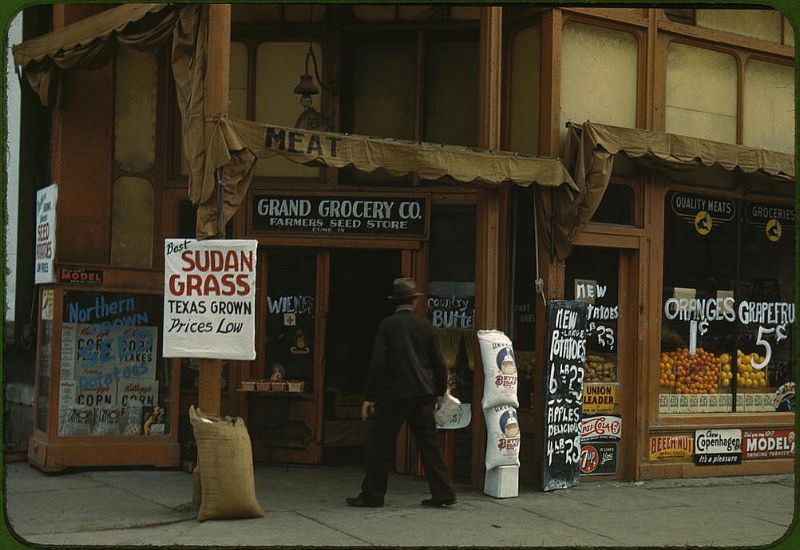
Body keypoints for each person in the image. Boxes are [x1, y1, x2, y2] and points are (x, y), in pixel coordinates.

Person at [346, 278, 457, 508]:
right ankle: (444, 493)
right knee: (430, 445)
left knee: (379, 445)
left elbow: (379, 362)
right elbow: (438, 362)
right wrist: (438, 391)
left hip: (394, 395)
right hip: (423, 394)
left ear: (395, 302)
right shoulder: (425, 326)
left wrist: (370, 396)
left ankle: (373, 494)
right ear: (415, 301)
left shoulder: (388, 325)